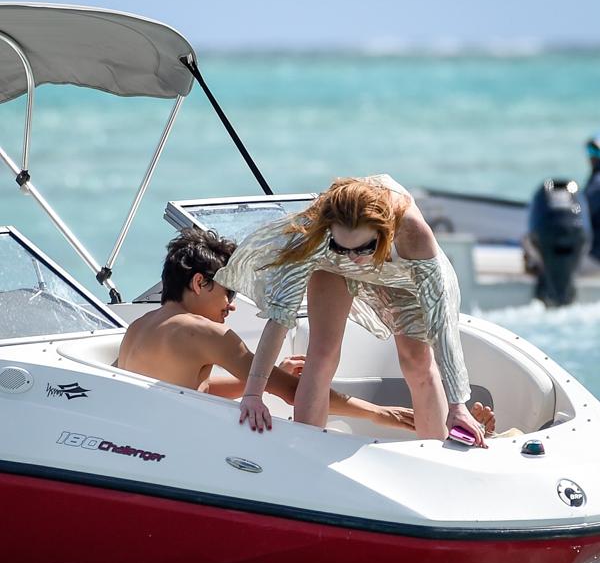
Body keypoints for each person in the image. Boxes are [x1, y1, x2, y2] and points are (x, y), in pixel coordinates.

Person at [117, 228, 495, 434]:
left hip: (145, 437)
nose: (231, 306)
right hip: (186, 445)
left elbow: (185, 390)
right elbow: (298, 393)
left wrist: (269, 373)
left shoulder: (136, 330)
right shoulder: (204, 332)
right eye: (228, 292)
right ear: (200, 283)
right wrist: (386, 415)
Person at [215, 174, 488, 446]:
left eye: (363, 247)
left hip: (402, 274)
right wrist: (253, 394)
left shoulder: (412, 233)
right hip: (332, 266)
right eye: (341, 246)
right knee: (321, 354)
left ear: (384, 231)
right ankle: (305, 447)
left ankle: (435, 452)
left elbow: (441, 324)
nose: (354, 258)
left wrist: (458, 404)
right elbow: (280, 317)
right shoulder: (317, 232)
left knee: (417, 361)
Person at [584, 134, 600, 262]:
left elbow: (584, 213)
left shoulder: (596, 184)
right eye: (590, 151)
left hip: (595, 256)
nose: (592, 156)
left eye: (596, 152)